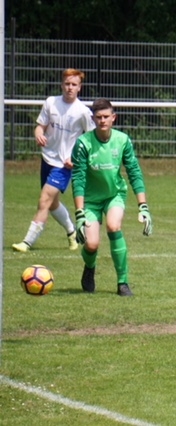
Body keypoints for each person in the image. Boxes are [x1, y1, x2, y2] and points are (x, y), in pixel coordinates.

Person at [71, 98, 153, 296]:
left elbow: (134, 172)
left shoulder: (122, 140)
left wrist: (143, 206)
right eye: (98, 117)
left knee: (114, 226)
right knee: (91, 244)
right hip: (90, 200)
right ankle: (90, 267)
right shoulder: (83, 143)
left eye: (106, 116)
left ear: (113, 118)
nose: (102, 120)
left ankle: (122, 283)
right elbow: (78, 179)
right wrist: (79, 212)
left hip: (114, 195)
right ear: (93, 119)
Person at [12, 68, 95, 252]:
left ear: (79, 87)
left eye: (74, 84)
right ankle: (72, 232)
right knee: (52, 203)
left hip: (64, 165)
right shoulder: (51, 102)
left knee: (44, 200)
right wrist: (38, 134)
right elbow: (40, 126)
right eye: (67, 84)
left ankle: (27, 242)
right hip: (47, 159)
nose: (70, 87)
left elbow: (91, 140)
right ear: (61, 85)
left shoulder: (83, 112)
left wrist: (76, 158)